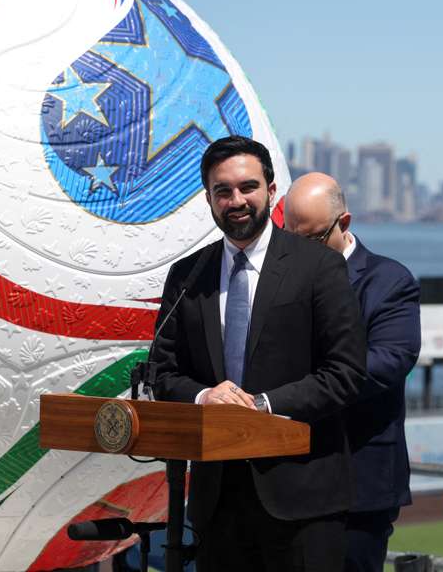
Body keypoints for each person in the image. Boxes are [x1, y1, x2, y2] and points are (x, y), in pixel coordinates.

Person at [151, 136, 367, 572]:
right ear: (209, 198)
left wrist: (260, 407)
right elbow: (162, 370)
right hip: (218, 502)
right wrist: (204, 397)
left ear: (271, 191)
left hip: (303, 502)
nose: (237, 200)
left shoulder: (319, 267)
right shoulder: (189, 275)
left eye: (248, 187)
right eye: (223, 190)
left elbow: (345, 372)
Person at [283, 172, 421, 572]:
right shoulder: (282, 278)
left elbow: (389, 362)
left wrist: (300, 385)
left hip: (359, 479)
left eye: (310, 239)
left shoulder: (389, 281)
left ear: (344, 224)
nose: (298, 250)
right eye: (289, 237)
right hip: (288, 478)